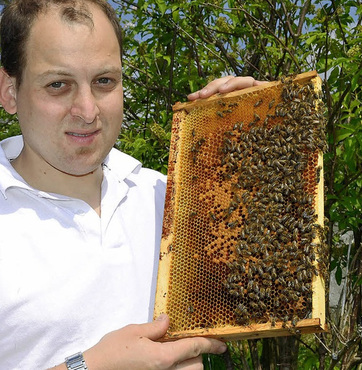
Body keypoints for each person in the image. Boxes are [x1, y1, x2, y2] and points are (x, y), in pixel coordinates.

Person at [0, 0, 264, 369]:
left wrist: (257, 126)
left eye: (104, 81)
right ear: (10, 91)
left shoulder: (172, 198)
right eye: (58, 85)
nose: (87, 110)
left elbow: (262, 279)